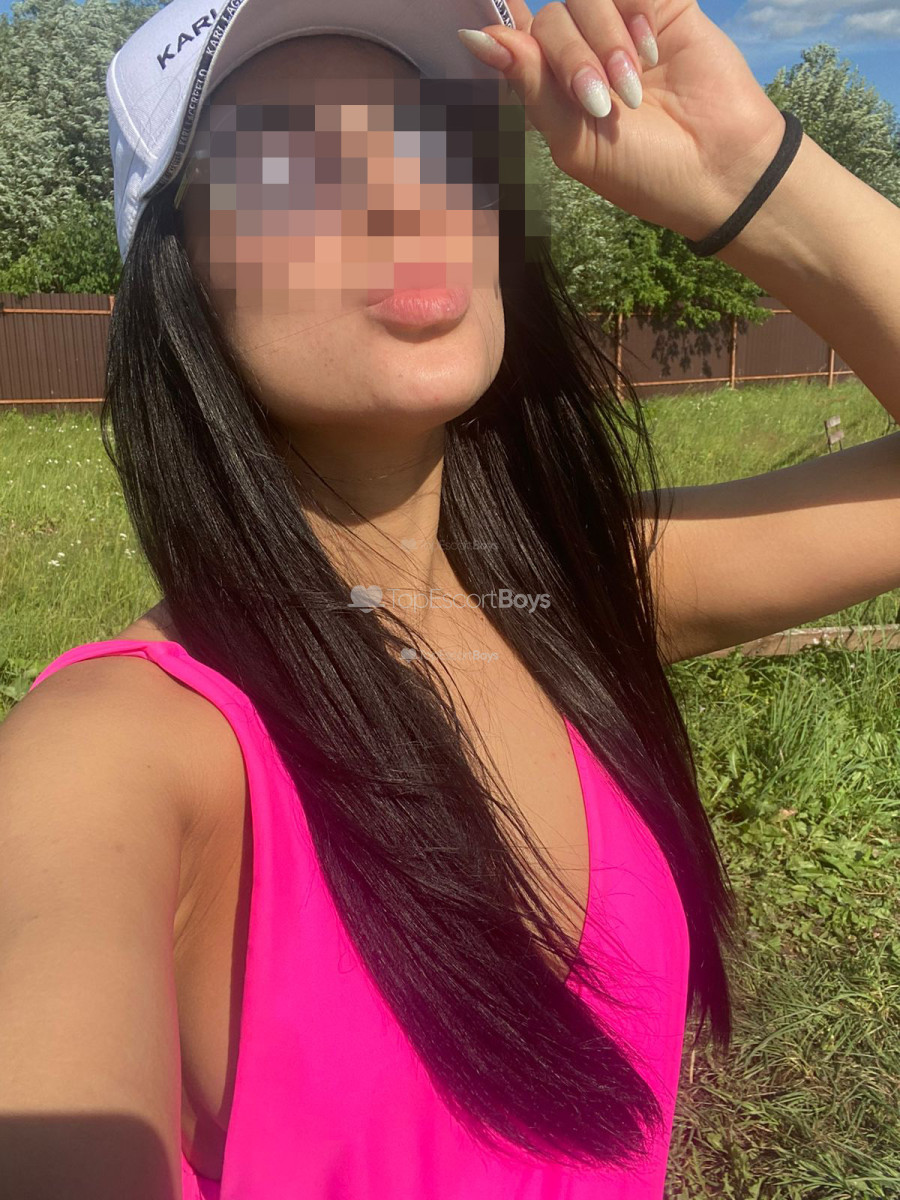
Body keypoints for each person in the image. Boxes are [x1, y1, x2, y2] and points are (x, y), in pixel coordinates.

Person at [2, 0, 899, 1197]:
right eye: (291, 164)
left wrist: (748, 175)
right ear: (184, 274)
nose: (400, 199)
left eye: (438, 144)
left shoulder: (569, 599)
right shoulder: (110, 756)